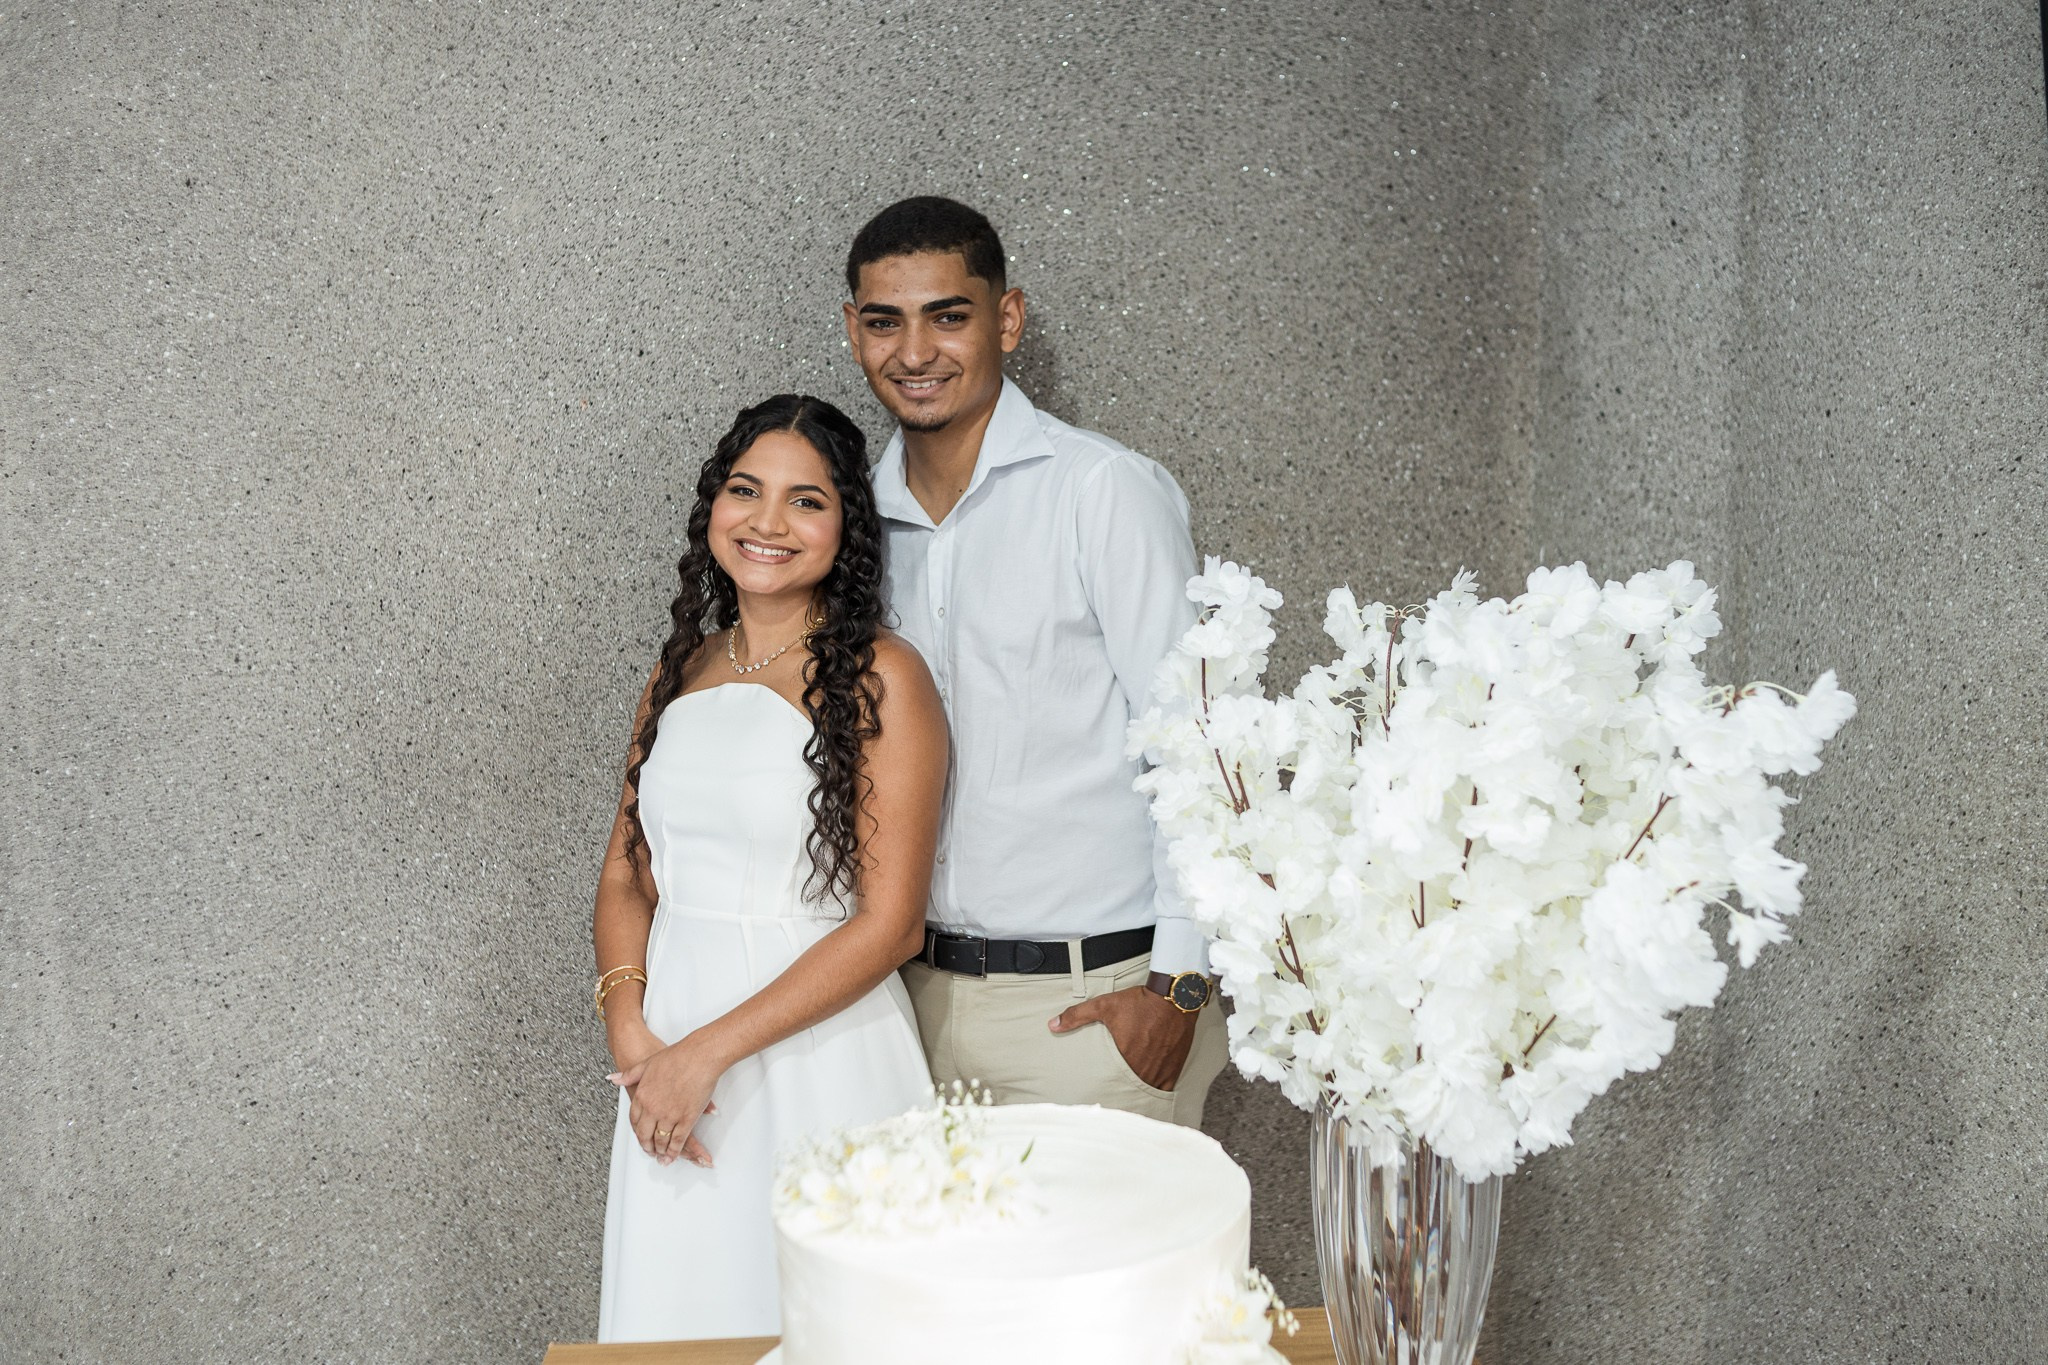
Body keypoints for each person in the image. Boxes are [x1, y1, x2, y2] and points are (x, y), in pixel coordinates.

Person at [841, 197, 1229, 1128]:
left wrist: (1178, 988)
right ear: (854, 331)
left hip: (1092, 1007)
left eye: (949, 315)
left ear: (1007, 318)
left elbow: (1204, 744)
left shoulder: (1101, 491)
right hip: (903, 1013)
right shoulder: (848, 526)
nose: (916, 351)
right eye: (886, 322)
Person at [590, 394, 946, 1341]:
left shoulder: (882, 676)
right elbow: (627, 875)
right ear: (714, 504)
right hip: (668, 1058)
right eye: (746, 490)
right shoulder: (681, 668)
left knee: (831, 1324)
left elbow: (890, 924)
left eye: (807, 501)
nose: (769, 522)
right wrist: (635, 1035)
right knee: (686, 1318)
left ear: (847, 527)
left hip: (818, 1050)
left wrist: (707, 1051)